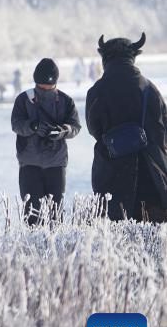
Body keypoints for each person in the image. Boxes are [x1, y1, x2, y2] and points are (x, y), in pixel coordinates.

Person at [88, 33, 167, 221]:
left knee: (116, 230)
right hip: (151, 172)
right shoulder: (150, 89)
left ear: (105, 59)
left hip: (112, 170)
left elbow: (94, 129)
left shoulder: (97, 91)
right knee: (154, 233)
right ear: (133, 58)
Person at [10, 58, 81, 225]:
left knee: (56, 215)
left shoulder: (66, 101)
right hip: (30, 165)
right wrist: (33, 126)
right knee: (32, 216)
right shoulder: (24, 99)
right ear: (36, 81)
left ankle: (55, 247)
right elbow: (16, 125)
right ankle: (34, 247)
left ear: (55, 82)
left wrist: (63, 131)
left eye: (49, 86)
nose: (45, 88)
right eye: (42, 86)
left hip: (56, 165)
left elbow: (75, 126)